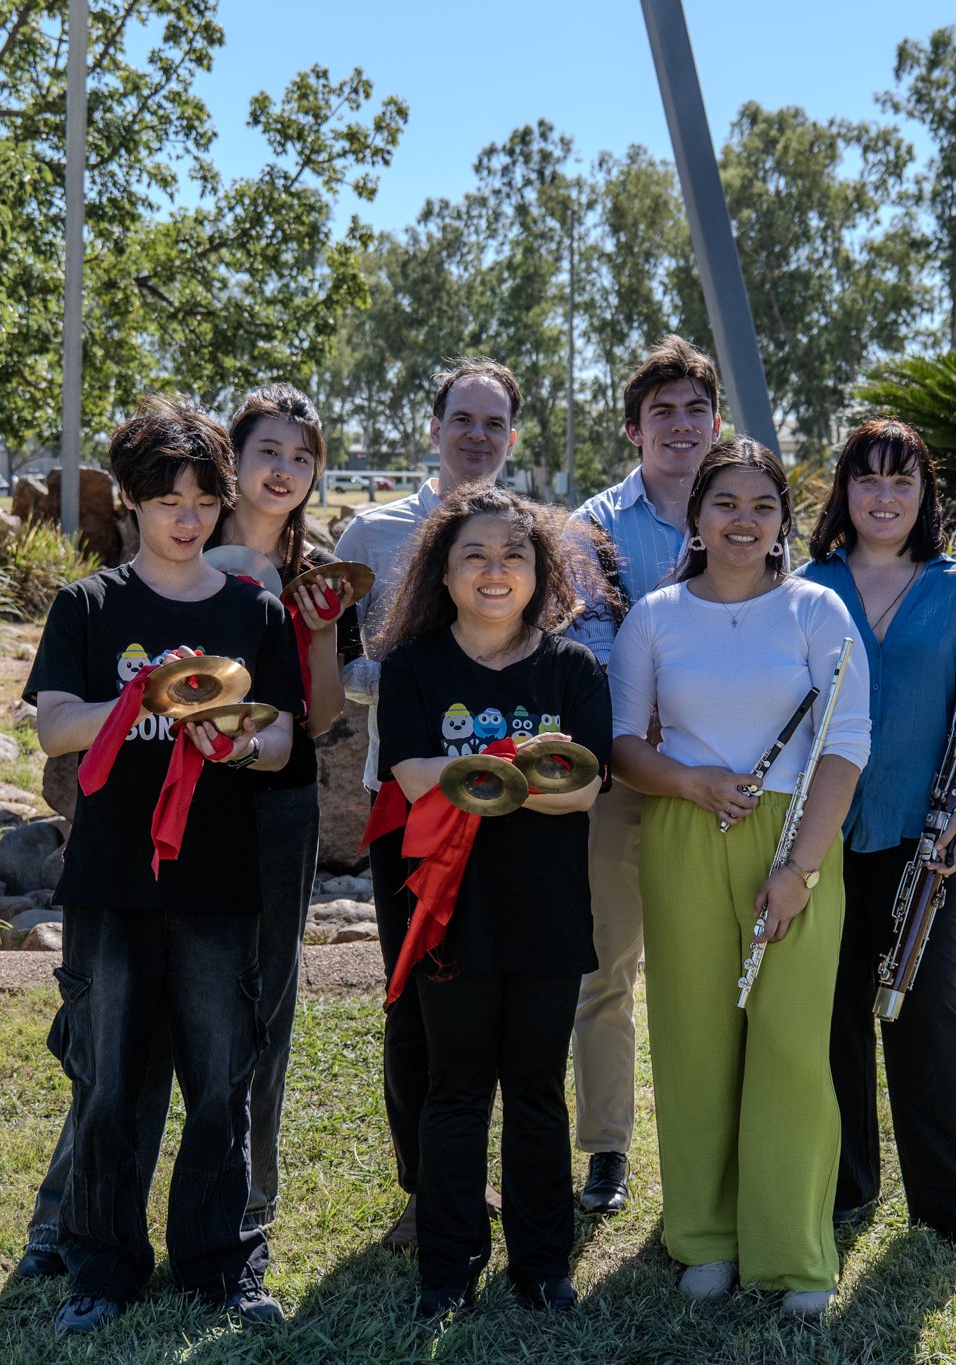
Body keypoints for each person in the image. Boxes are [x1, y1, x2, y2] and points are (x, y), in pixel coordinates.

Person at [15, 387, 362, 1276]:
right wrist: (144, 696)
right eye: (169, 501)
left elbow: (285, 734)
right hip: (112, 874)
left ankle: (221, 1262)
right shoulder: (89, 605)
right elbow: (54, 725)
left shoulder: (247, 609)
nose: (189, 518)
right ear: (130, 498)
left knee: (221, 1079)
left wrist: (233, 738)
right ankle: (99, 1261)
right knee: (109, 1078)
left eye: (205, 502)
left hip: (219, 874)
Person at [607, 437, 870, 1318]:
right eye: (726, 503)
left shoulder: (816, 610)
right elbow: (624, 746)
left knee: (792, 1043)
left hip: (796, 837)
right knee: (693, 1039)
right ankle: (705, 1237)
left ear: (782, 521)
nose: (743, 520)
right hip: (685, 827)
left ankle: (795, 1253)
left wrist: (798, 868)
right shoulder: (654, 616)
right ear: (696, 515)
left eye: (763, 505)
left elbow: (845, 743)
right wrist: (688, 781)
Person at [373, 485, 611, 1317]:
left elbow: (583, 789)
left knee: (538, 1087)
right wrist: (526, 771)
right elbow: (410, 776)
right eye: (473, 553)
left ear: (540, 571)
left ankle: (542, 1265)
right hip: (448, 913)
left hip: (546, 914)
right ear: (441, 572)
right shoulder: (413, 667)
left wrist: (476, 775)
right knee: (457, 1086)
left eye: (514, 552)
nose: (494, 569)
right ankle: (449, 1266)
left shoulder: (572, 667)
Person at [799, 418, 956, 1250]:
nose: (884, 497)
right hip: (827, 836)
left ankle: (954, 1207)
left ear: (925, 497)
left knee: (929, 1015)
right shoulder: (809, 586)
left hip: (927, 840)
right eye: (868, 479)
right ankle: (847, 1191)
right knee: (834, 1013)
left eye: (902, 482)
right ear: (844, 491)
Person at [335, 358, 519, 1250]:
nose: (476, 436)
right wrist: (417, 679)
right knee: (413, 999)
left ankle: (496, 1178)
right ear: (434, 426)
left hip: (514, 809)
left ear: (511, 438)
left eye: (494, 423)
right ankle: (425, 1188)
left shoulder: (529, 536)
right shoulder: (370, 535)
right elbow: (332, 668)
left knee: (499, 999)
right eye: (463, 419)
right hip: (407, 806)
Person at [565, 335, 722, 1217]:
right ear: (633, 428)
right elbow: (585, 647)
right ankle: (606, 1149)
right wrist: (648, 718)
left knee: (707, 969)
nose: (681, 425)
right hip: (624, 778)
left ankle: (708, 1145)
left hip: (729, 779)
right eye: (662, 410)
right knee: (607, 966)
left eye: (696, 409)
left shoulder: (746, 505)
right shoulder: (592, 526)